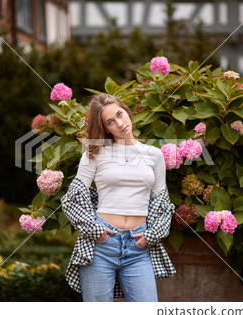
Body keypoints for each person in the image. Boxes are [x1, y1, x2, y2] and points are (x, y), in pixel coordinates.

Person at [61, 93, 176, 302]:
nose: (120, 123)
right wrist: (95, 230)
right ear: (105, 128)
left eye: (120, 114)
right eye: (110, 122)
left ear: (127, 111)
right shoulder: (94, 153)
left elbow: (162, 203)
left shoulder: (154, 155)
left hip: (139, 246)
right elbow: (72, 199)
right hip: (101, 245)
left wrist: (151, 235)